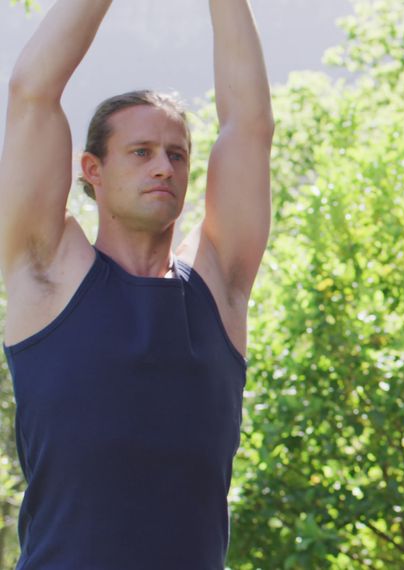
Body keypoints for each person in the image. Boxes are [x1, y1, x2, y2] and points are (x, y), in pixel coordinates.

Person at [0, 0, 273, 567]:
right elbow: (31, 93)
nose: (163, 168)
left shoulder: (219, 286)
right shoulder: (47, 273)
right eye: (141, 153)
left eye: (177, 155)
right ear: (92, 171)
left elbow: (249, 126)